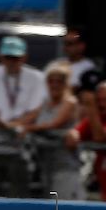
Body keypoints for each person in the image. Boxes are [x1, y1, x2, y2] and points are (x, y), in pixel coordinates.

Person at [0, 35, 44, 197]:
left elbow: (35, 111)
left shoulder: (35, 77)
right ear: (1, 57)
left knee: (19, 194)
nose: (12, 62)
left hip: (19, 148)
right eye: (8, 57)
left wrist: (11, 126)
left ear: (24, 57)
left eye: (16, 58)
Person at [24, 62, 82, 200]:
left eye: (59, 81)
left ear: (66, 83)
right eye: (51, 81)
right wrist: (10, 125)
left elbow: (55, 124)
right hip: (45, 167)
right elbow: (28, 118)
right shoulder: (44, 102)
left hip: (65, 168)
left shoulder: (70, 102)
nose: (54, 85)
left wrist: (26, 129)